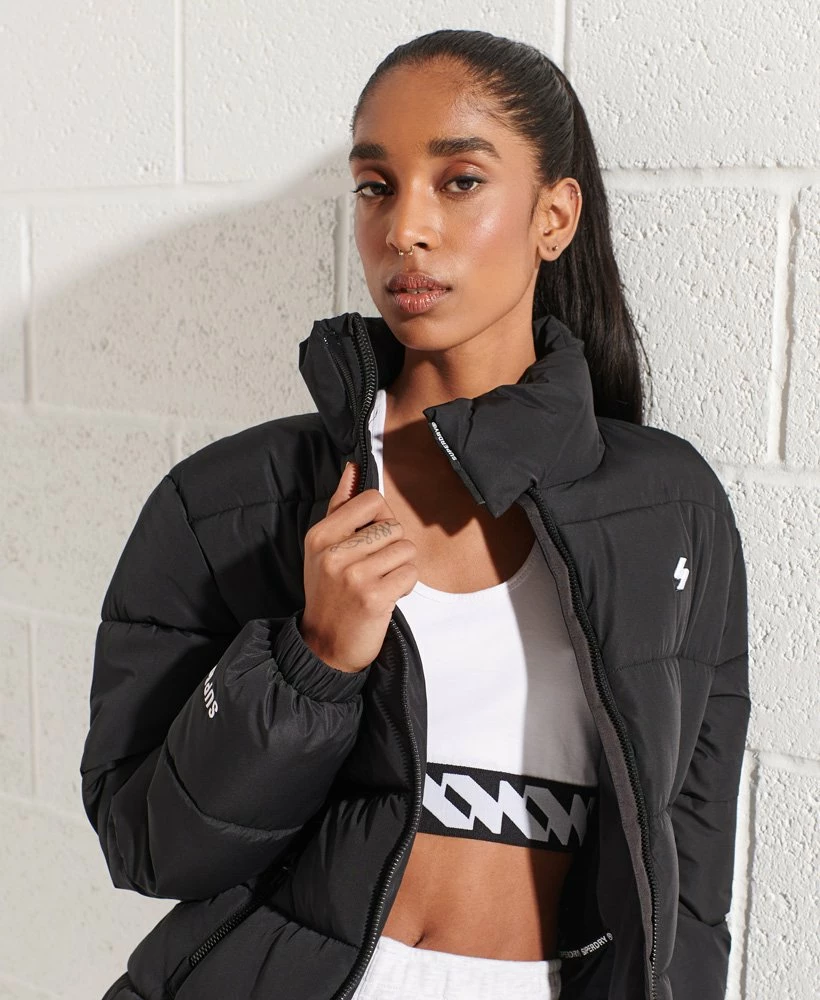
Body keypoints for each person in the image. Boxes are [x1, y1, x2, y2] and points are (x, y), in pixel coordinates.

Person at [81, 28, 750, 1000]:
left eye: (460, 181)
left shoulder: (669, 507)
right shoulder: (228, 501)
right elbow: (151, 846)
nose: (405, 229)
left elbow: (689, 868)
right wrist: (313, 662)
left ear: (554, 215)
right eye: (375, 187)